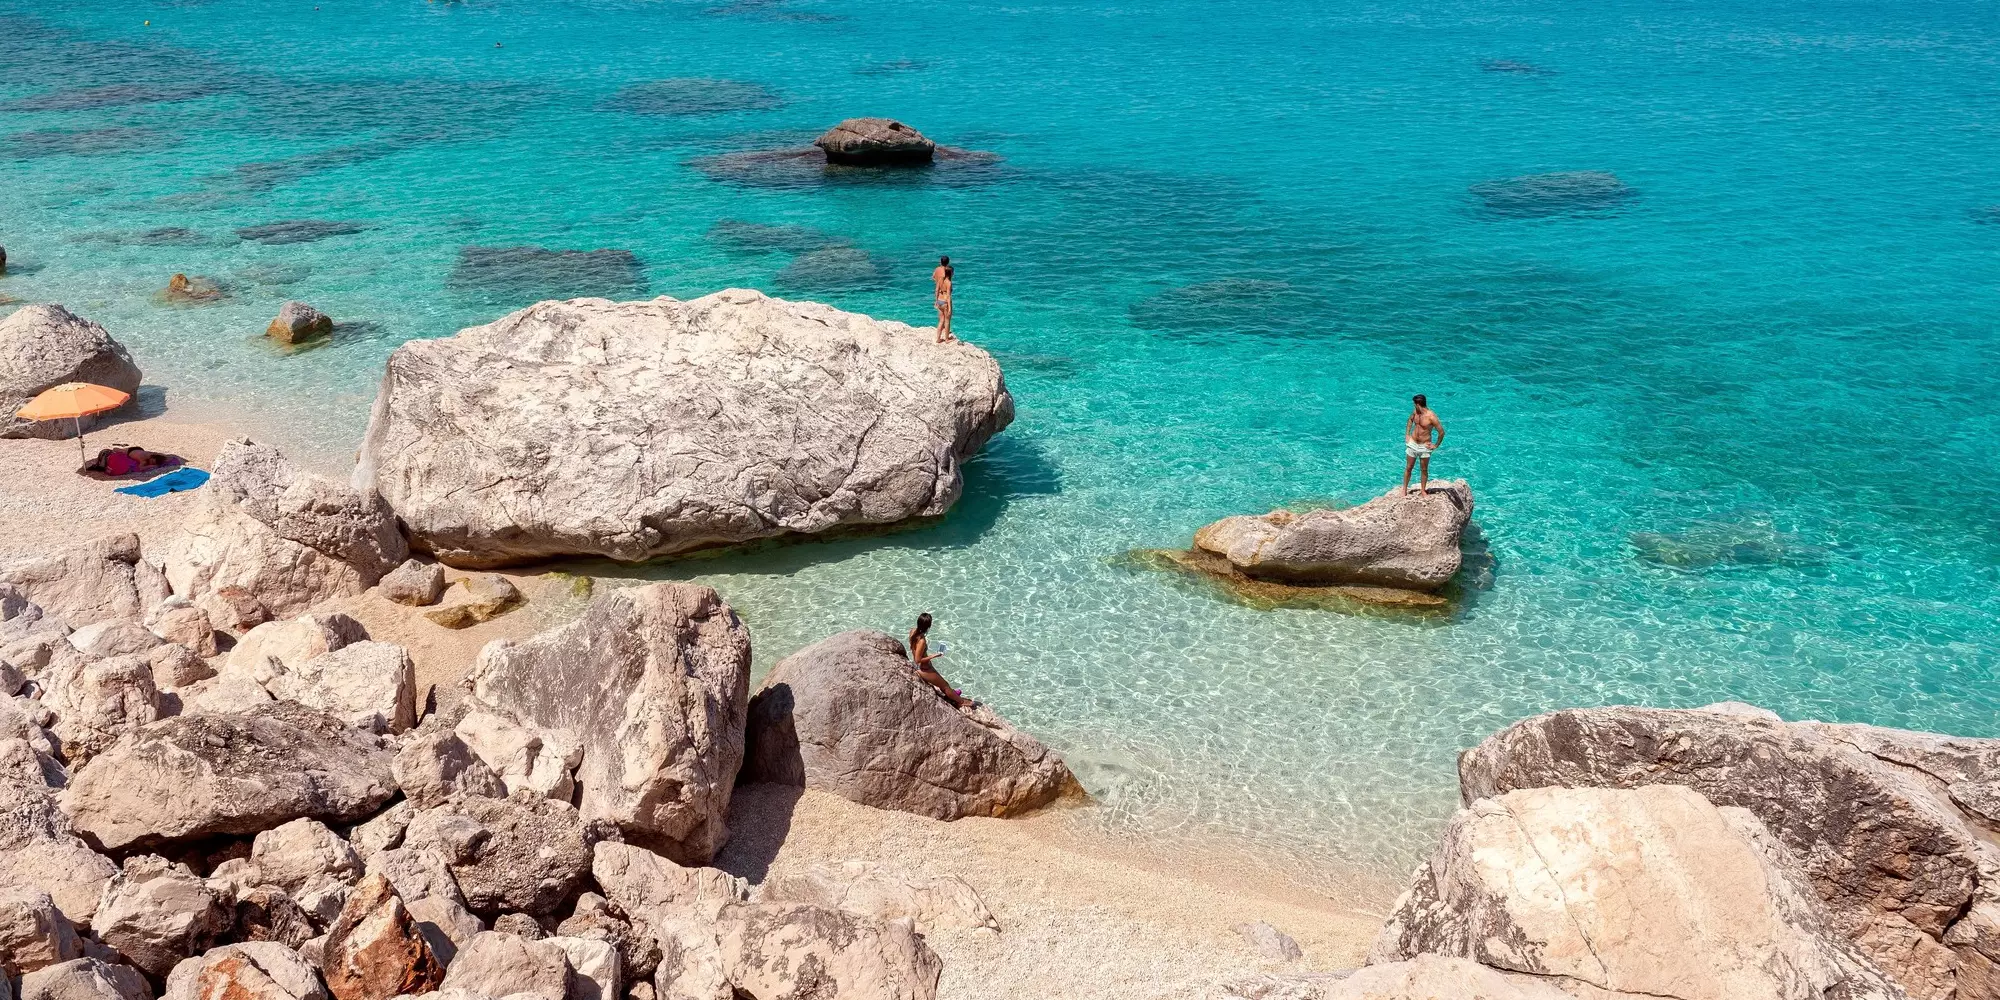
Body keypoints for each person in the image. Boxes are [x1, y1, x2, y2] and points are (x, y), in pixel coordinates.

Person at [908, 612, 970, 708]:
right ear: (928, 626)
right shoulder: (922, 641)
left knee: (944, 683)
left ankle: (952, 695)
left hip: (925, 666)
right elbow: (917, 659)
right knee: (945, 686)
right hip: (923, 668)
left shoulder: (913, 631)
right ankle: (961, 702)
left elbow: (914, 651)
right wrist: (934, 655)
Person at [1402, 394, 1445, 495]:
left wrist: (1436, 445)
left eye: (1414, 404)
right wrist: (1407, 434)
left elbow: (1441, 432)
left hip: (1424, 446)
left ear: (1418, 404)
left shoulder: (1431, 416)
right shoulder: (1415, 412)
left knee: (1424, 469)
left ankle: (1423, 490)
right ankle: (1404, 489)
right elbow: (1410, 420)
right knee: (1408, 467)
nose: (1413, 406)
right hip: (1412, 443)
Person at [931, 256, 954, 344]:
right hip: (945, 301)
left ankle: (938, 338)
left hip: (939, 300)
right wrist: (950, 308)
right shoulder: (948, 282)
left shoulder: (938, 274)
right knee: (947, 320)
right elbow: (948, 296)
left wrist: (936, 301)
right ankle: (947, 339)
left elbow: (933, 278)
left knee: (941, 320)